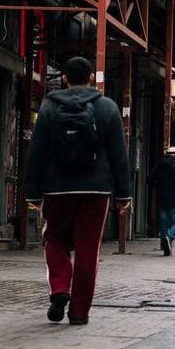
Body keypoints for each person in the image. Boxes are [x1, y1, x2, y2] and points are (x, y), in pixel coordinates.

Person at [24, 56, 130, 325]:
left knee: (54, 239)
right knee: (87, 249)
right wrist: (123, 194)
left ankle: (60, 288)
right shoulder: (107, 108)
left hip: (57, 188)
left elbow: (36, 151)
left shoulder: (49, 106)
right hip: (95, 191)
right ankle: (79, 312)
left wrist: (33, 193)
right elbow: (119, 155)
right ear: (92, 78)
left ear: (64, 78)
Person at [151, 146, 175, 256]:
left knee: (164, 222)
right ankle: (169, 237)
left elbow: (151, 179)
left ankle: (163, 244)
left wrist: (158, 187)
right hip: (174, 198)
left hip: (161, 197)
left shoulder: (159, 165)